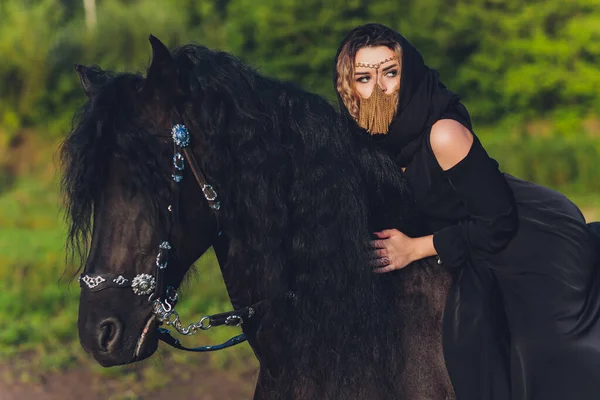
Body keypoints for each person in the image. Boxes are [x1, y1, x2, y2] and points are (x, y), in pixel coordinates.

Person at [334, 23, 600, 400]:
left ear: (406, 75)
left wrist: (414, 248)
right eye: (363, 77)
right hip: (467, 238)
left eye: (390, 73)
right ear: (348, 86)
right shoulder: (371, 143)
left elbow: (498, 223)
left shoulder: (443, 132)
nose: (378, 88)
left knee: (539, 348)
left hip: (526, 241)